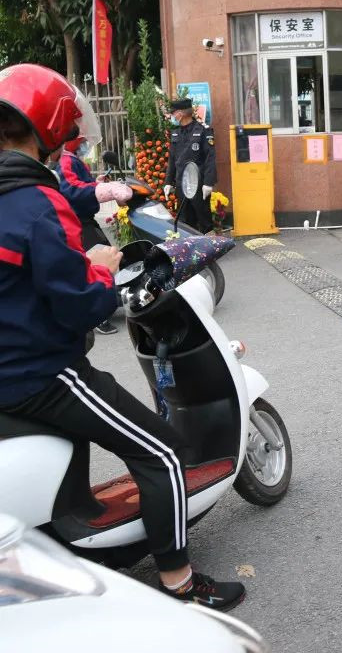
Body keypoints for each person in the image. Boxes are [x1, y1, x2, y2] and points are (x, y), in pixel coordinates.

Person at [0, 63, 246, 609]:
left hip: (9, 367)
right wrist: (102, 268)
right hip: (39, 373)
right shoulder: (35, 202)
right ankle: (180, 583)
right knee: (165, 452)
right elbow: (80, 306)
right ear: (51, 128)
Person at [56, 138, 132, 335]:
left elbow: (81, 185)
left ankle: (109, 300)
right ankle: (98, 315)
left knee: (109, 255)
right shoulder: (66, 160)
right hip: (77, 221)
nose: (84, 143)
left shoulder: (73, 159)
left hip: (85, 218)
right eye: (81, 139)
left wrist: (95, 184)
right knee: (96, 262)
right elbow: (71, 189)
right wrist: (101, 189)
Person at [163, 99, 216, 234]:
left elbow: (210, 158)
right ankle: (190, 246)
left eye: (173, 113)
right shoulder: (175, 133)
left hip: (198, 184)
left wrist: (208, 183)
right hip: (182, 184)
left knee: (204, 220)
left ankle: (210, 244)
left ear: (180, 114)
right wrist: (168, 182)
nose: (172, 116)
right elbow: (172, 160)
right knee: (185, 223)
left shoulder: (203, 131)